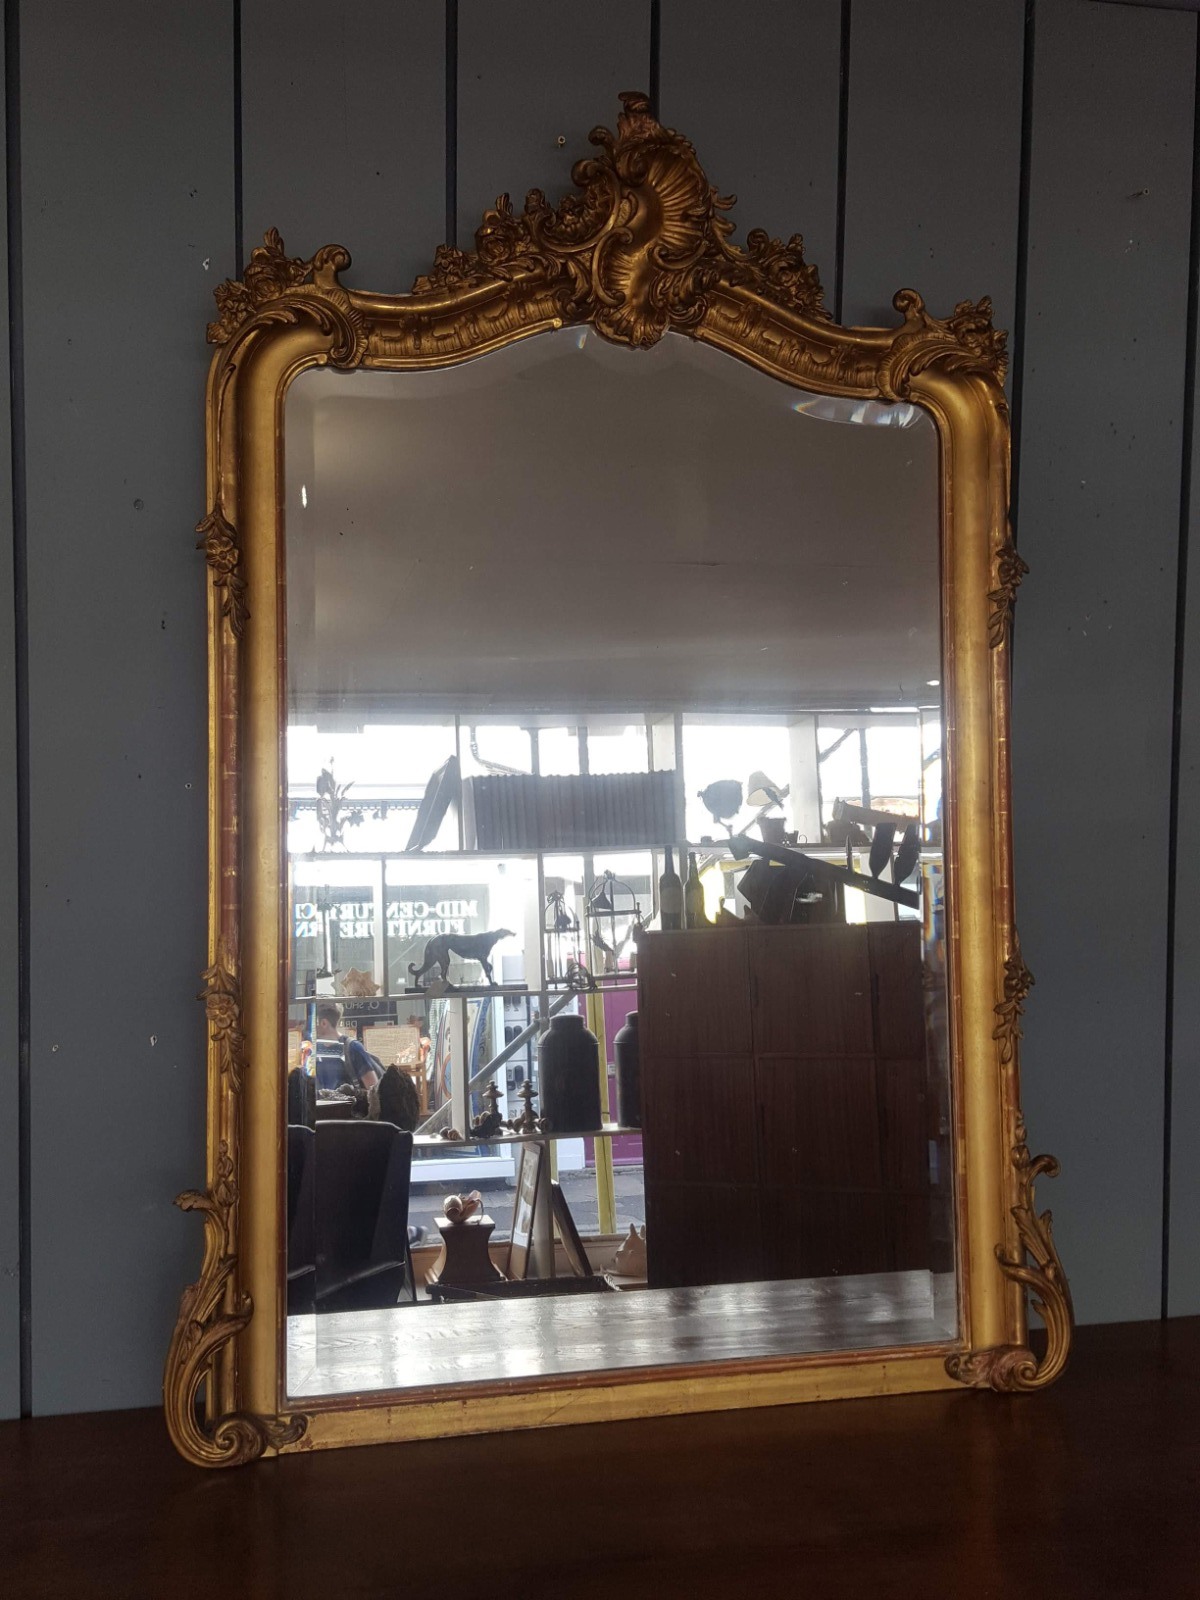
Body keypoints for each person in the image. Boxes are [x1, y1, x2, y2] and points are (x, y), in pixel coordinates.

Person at [312, 1002, 381, 1092]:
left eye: (312, 1023)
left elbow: (373, 1089)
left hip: (349, 1101)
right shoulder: (315, 1049)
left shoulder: (353, 1048)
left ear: (324, 1023)